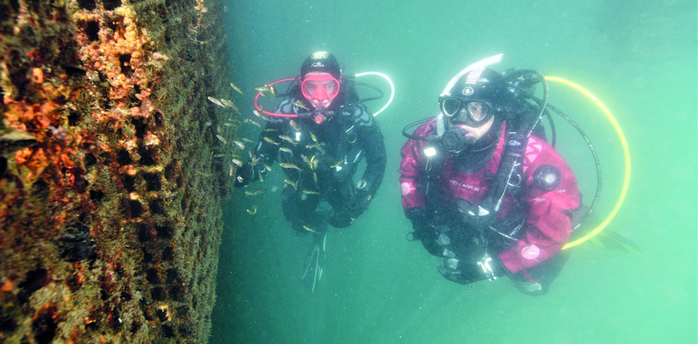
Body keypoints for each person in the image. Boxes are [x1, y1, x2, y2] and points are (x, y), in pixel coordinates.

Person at [399, 65, 581, 295]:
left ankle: (587, 226)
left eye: (477, 109)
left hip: (510, 231)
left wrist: (495, 267)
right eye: (454, 107)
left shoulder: (533, 157)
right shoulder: (430, 135)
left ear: (498, 113)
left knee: (532, 285)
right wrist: (419, 219)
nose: (461, 119)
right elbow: (409, 175)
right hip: (462, 218)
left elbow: (550, 230)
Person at [235, 51, 387, 291]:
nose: (319, 98)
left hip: (340, 178)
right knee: (295, 223)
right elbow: (266, 150)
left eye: (328, 87)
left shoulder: (356, 114)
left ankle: (325, 226)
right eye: (310, 88)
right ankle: (318, 230)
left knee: (345, 219)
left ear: (339, 85)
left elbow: (378, 160)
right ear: (300, 86)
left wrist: (364, 197)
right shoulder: (286, 110)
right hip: (300, 178)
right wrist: (248, 172)